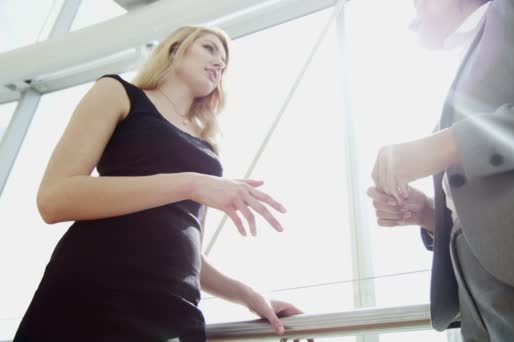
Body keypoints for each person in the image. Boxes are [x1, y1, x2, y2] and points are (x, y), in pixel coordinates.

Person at [14, 26, 308, 341]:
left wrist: (249, 296)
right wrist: (190, 183)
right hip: (94, 292)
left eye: (224, 63)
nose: (219, 64)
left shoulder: (207, 148)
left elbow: (188, 251)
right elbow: (55, 198)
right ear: (174, 49)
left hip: (174, 310)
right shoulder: (117, 93)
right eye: (209, 48)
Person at [368, 0, 514, 341]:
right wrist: (429, 214)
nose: (413, 12)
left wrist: (456, 143)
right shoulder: (470, 60)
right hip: (484, 305)